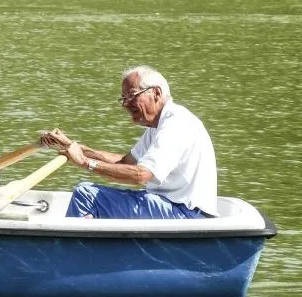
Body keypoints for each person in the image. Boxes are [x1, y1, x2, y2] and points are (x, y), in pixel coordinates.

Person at [40, 65, 218, 219]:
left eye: (132, 96)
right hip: (173, 208)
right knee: (93, 196)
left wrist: (85, 162)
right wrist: (72, 146)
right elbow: (125, 162)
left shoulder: (176, 123)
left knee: (86, 195)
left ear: (156, 93)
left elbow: (140, 175)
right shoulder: (159, 125)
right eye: (123, 99)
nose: (125, 104)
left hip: (185, 215)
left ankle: (76, 256)